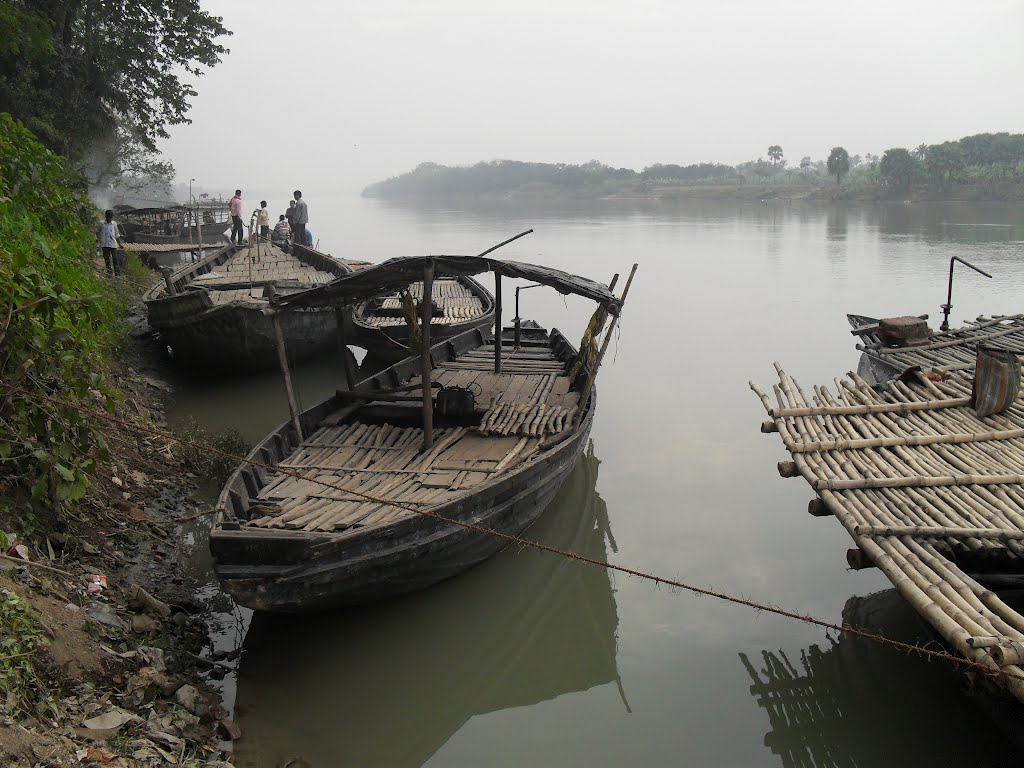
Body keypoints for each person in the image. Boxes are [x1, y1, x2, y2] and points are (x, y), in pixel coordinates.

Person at [96, 209, 125, 276]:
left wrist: (119, 244)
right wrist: (99, 239)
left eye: (110, 218)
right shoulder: (101, 223)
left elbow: (117, 235)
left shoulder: (114, 224)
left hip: (113, 244)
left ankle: (117, 274)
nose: (109, 219)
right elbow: (97, 232)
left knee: (115, 259)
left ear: (112, 217)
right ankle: (109, 273)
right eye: (108, 217)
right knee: (107, 259)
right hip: (105, 244)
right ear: (106, 216)